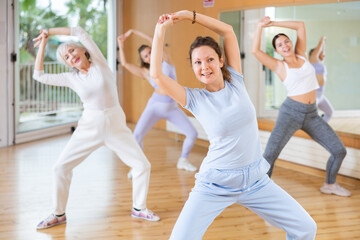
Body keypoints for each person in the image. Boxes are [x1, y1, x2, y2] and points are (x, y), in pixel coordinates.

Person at [151, 11, 317, 240]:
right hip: (216, 183)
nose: (204, 66)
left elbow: (227, 31)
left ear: (221, 61)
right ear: (193, 68)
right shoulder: (195, 99)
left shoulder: (236, 81)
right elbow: (157, 76)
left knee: (306, 228)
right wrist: (160, 30)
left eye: (210, 59)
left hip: (256, 180)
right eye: (197, 62)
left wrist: (190, 15)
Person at [32, 26, 160, 229]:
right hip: (89, 127)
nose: (71, 56)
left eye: (72, 50)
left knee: (142, 165)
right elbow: (39, 75)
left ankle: (139, 207)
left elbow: (79, 31)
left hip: (116, 125)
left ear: (83, 50)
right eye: (66, 57)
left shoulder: (99, 63)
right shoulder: (72, 78)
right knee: (60, 168)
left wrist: (49, 31)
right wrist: (44, 44)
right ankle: (58, 214)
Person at [252, 17, 350, 197]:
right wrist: (260, 27)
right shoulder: (279, 65)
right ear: (276, 51)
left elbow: (300, 25)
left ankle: (330, 184)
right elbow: (255, 51)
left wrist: (273, 23)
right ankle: (260, 193)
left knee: (339, 150)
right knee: (270, 154)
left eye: (286, 41)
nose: (285, 45)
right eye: (280, 45)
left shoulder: (302, 54)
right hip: (290, 113)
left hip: (312, 114)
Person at [117, 29, 198, 175]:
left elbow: (155, 40)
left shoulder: (167, 61)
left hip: (172, 108)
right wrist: (121, 44)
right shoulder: (145, 72)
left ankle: (183, 160)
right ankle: (138, 166)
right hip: (154, 107)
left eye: (150, 52)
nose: (149, 56)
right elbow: (124, 63)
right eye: (146, 56)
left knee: (192, 133)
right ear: (144, 60)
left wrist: (135, 32)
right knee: (137, 135)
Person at [309, 36, 334, 122]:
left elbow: (322, 50)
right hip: (313, 95)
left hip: (320, 95)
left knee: (330, 112)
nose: (324, 54)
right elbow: (318, 50)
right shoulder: (313, 61)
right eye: (321, 52)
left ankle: (321, 127)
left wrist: (324, 44)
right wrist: (322, 39)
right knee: (312, 118)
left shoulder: (320, 63)